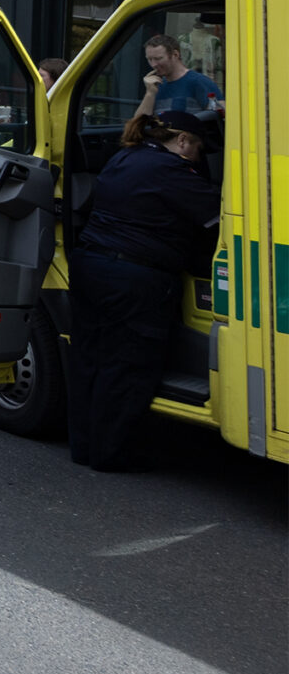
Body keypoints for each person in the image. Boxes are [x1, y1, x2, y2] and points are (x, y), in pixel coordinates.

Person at [66, 110, 222, 472]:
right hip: (135, 277)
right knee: (127, 366)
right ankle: (112, 455)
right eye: (197, 149)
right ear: (182, 141)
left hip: (91, 265)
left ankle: (85, 447)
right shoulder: (173, 172)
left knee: (89, 358)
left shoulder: (126, 156)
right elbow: (218, 218)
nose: (198, 158)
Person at [138, 33, 220, 118]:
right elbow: (136, 125)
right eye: (149, 59)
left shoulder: (199, 81)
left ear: (175, 55)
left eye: (158, 58)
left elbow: (219, 117)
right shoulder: (156, 85)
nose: (153, 64)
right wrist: (150, 93)